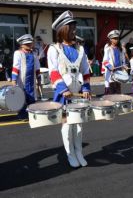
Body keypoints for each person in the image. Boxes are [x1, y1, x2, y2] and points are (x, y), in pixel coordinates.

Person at [47, 10, 91, 168]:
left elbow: (85, 71)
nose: (74, 31)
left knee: (78, 123)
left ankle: (79, 152)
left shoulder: (80, 49)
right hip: (63, 94)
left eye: (74, 28)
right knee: (66, 124)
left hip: (78, 93)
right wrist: (62, 88)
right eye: (70, 28)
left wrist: (86, 87)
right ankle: (70, 154)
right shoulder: (54, 49)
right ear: (62, 30)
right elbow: (53, 71)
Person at [11, 34, 40, 119]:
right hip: (22, 80)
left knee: (32, 98)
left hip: (32, 80)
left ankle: (31, 114)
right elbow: (16, 67)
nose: (30, 45)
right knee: (22, 97)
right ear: (22, 45)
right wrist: (14, 80)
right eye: (28, 44)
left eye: (30, 43)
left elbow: (37, 67)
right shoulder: (18, 53)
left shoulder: (34, 54)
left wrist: (39, 79)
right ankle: (22, 115)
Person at [102, 30, 127, 94]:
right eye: (114, 38)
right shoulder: (108, 48)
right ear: (110, 39)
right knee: (110, 92)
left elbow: (123, 60)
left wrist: (124, 66)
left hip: (119, 72)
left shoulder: (121, 49)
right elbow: (105, 61)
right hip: (110, 73)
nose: (116, 40)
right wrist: (110, 66)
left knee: (118, 92)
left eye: (117, 38)